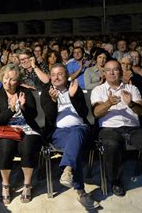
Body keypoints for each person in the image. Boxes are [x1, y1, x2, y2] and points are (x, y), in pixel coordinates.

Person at [91, 59, 142, 204]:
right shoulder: (98, 90)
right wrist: (108, 103)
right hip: (109, 128)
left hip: (133, 128)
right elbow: (96, 113)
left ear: (121, 72)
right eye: (108, 70)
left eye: (115, 69)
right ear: (104, 73)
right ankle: (116, 181)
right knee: (111, 145)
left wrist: (131, 103)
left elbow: (141, 112)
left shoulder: (132, 89)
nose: (111, 72)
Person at [41, 64, 98, 209]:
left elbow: (84, 113)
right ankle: (81, 192)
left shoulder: (75, 89)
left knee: (76, 135)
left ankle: (67, 170)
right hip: (59, 133)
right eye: (53, 74)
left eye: (60, 74)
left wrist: (73, 97)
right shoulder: (46, 92)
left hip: (80, 129)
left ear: (67, 76)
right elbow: (49, 117)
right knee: (74, 146)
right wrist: (53, 102)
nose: (56, 77)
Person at [0, 64, 42, 205]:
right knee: (6, 147)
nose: (8, 82)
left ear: (18, 81)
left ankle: (27, 185)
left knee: (27, 146)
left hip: (27, 127)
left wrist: (24, 107)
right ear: (2, 78)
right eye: (6, 78)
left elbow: (34, 115)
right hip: (6, 129)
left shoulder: (25, 93)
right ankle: (6, 185)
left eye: (12, 80)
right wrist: (12, 110)